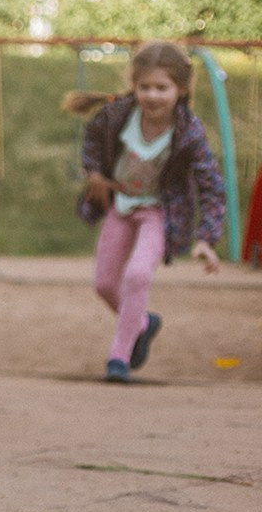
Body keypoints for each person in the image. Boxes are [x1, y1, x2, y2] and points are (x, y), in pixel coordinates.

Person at [68, 41, 226, 383]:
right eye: (145, 87)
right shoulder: (117, 115)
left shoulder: (189, 132)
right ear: (134, 86)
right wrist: (94, 173)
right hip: (121, 206)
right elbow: (92, 141)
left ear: (181, 89)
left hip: (159, 212)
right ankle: (142, 323)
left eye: (162, 88)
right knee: (105, 283)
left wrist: (206, 238)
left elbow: (211, 184)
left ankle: (118, 358)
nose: (152, 96)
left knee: (138, 275)